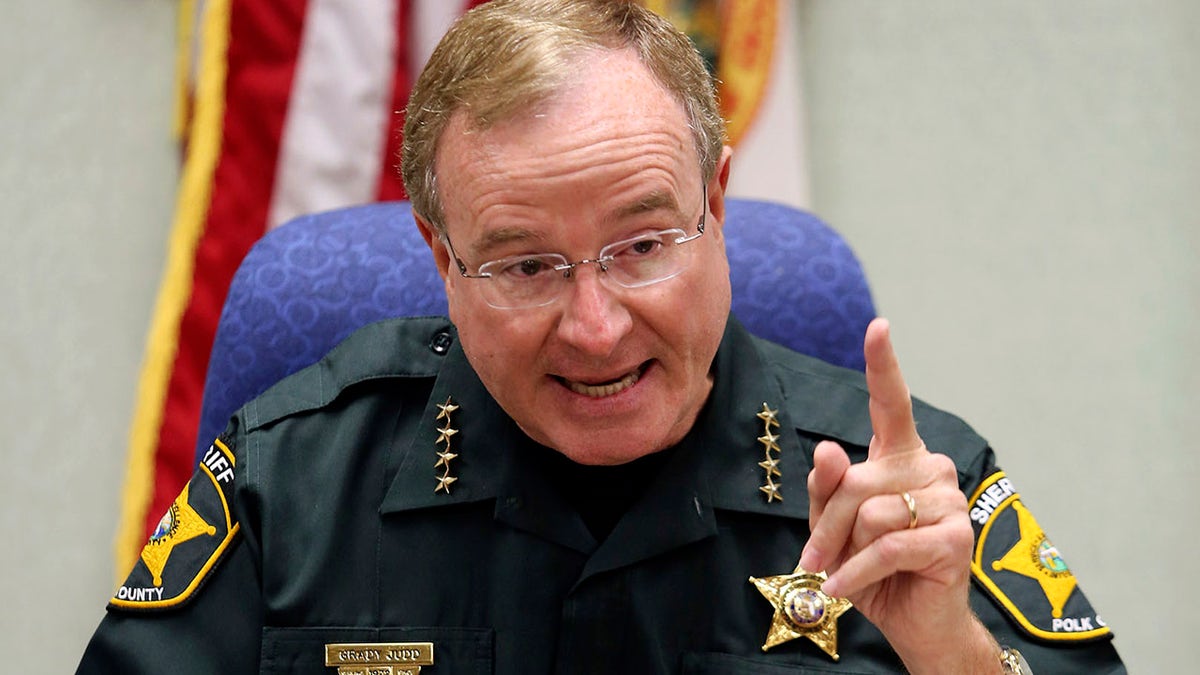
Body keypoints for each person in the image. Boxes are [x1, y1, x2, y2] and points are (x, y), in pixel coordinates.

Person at [78, 1, 1125, 672]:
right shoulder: (287, 479)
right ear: (443, 261)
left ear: (717, 204)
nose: (594, 326)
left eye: (641, 246)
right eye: (527, 265)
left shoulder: (903, 499)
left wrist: (948, 650)